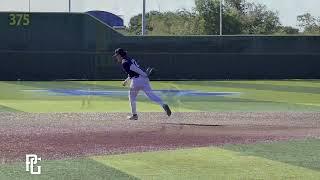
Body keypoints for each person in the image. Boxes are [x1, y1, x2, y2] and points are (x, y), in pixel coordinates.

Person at [113, 48, 172, 120]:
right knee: (152, 96)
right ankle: (163, 104)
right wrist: (126, 80)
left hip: (136, 81)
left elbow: (134, 68)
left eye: (117, 55)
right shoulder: (129, 59)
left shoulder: (124, 62)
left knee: (131, 97)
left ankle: (134, 115)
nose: (116, 57)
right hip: (144, 80)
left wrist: (144, 73)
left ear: (120, 55)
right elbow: (132, 72)